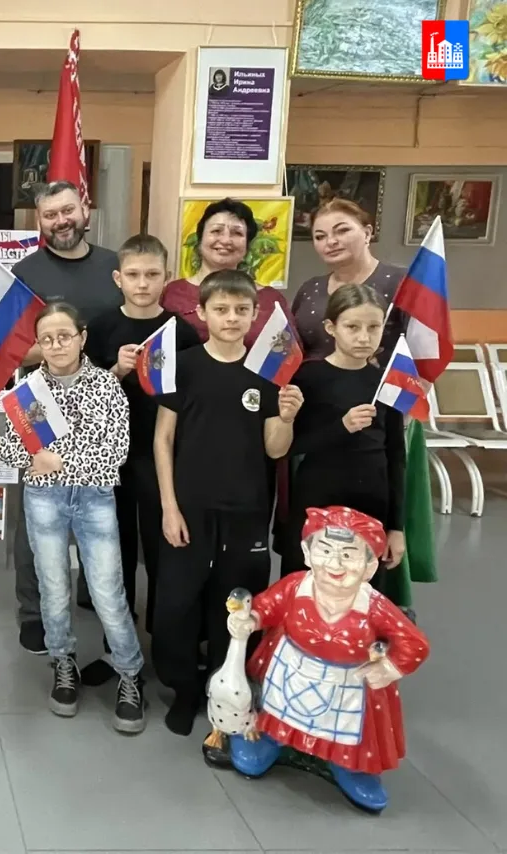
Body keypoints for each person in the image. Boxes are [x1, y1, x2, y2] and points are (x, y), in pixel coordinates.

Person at [0, 301, 147, 733]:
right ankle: (63, 663)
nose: (57, 345)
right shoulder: (29, 390)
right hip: (43, 498)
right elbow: (25, 457)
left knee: (107, 592)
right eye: (47, 339)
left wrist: (57, 461)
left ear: (82, 338)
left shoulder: (106, 386)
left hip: (96, 497)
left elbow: (114, 453)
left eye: (64, 336)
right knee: (53, 588)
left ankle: (129, 672)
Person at [151, 269, 302, 751]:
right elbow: (163, 439)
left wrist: (286, 416)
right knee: (176, 603)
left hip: (246, 509)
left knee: (237, 604)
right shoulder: (184, 366)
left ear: (255, 314)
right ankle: (184, 688)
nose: (231, 318)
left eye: (241, 310)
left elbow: (276, 449)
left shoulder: (268, 371)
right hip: (189, 508)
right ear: (202, 312)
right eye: (221, 309)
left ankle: (226, 690)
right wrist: (169, 507)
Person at [224, 506, 430, 813]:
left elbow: (414, 643)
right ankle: (269, 739)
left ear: (370, 567)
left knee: (347, 730)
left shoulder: (374, 606)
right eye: (325, 550)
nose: (335, 563)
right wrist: (250, 619)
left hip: (348, 684)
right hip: (290, 670)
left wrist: (389, 667)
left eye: (348, 555)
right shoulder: (296, 586)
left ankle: (348, 764)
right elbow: (268, 606)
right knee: (275, 711)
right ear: (307, 554)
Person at [9, 180, 125, 653]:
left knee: (101, 505)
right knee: (37, 514)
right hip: (42, 403)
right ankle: (33, 613)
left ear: (85, 210)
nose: (60, 221)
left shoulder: (115, 265)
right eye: (50, 214)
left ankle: (94, 597)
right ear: (39, 221)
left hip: (104, 400)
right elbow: (12, 348)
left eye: (67, 210)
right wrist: (61, 347)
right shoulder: (24, 272)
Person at [86, 235, 201, 645]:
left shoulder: (181, 332)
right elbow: (82, 398)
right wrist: (116, 370)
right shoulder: (101, 328)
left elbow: (193, 396)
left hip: (162, 457)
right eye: (133, 275)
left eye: (152, 275)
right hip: (111, 456)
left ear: (166, 277)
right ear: (118, 278)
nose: (142, 283)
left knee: (162, 548)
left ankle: (163, 639)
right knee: (113, 551)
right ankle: (116, 643)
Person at [285, 284, 406, 581]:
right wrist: (342, 426)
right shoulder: (307, 376)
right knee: (307, 583)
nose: (364, 337)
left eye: (373, 327)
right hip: (318, 496)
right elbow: (291, 445)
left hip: (371, 499)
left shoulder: (386, 382)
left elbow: (396, 456)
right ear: (331, 328)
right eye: (352, 327)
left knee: (362, 586)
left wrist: (396, 527)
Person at [161, 198, 291, 348]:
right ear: (200, 239)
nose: (225, 240)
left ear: (247, 245)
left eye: (237, 233)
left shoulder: (271, 300)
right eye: (216, 231)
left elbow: (289, 352)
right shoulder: (172, 293)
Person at [291, 198, 407, 362]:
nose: (331, 242)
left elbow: (424, 348)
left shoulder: (403, 282)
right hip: (309, 378)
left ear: (367, 233)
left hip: (381, 378)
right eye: (320, 236)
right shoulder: (309, 289)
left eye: (342, 231)